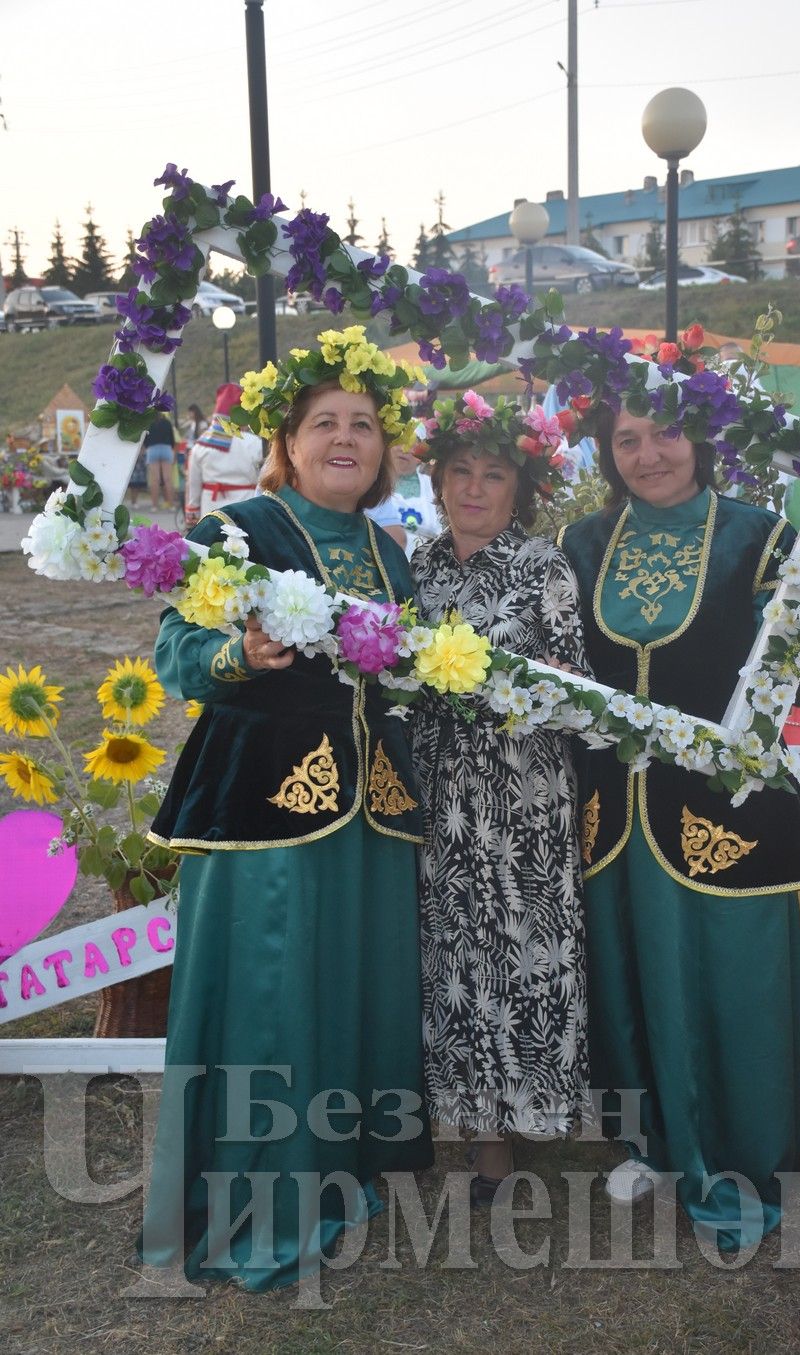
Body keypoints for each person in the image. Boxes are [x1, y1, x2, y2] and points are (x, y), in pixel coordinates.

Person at [140, 328, 433, 1289]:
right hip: (266, 806)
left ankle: (338, 1173)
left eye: (362, 424)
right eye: (324, 424)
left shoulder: (393, 552)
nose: (345, 438)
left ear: (384, 449)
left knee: (352, 985)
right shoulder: (237, 532)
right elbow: (176, 653)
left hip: (372, 817)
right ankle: (262, 1201)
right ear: (288, 442)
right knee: (275, 991)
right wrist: (237, 657)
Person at [559, 401, 800, 1251]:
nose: (649, 455)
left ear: (705, 437)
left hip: (728, 806)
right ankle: (654, 1141)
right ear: (608, 454)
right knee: (631, 973)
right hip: (614, 807)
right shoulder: (583, 542)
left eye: (666, 432)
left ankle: (749, 1156)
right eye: (626, 440)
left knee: (733, 978)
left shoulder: (759, 535)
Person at [410, 391, 590, 1202]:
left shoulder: (542, 566)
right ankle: (484, 1143)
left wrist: (490, 687)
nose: (475, 488)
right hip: (442, 799)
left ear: (520, 489)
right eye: (460, 472)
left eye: (493, 475)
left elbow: (575, 689)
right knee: (457, 959)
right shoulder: (417, 566)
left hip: (523, 801)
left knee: (522, 952)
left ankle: (535, 1114)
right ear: (439, 479)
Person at [184, 383, 265, 527]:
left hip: (211, 510)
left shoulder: (201, 445)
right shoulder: (255, 443)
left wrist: (192, 512)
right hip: (246, 508)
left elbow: (193, 485)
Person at [144, 411, 177, 511]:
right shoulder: (167, 422)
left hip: (152, 449)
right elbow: (172, 439)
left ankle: (154, 506)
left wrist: (147, 447)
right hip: (166, 449)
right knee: (168, 479)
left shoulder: (148, 422)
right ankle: (171, 505)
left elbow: (145, 438)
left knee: (155, 479)